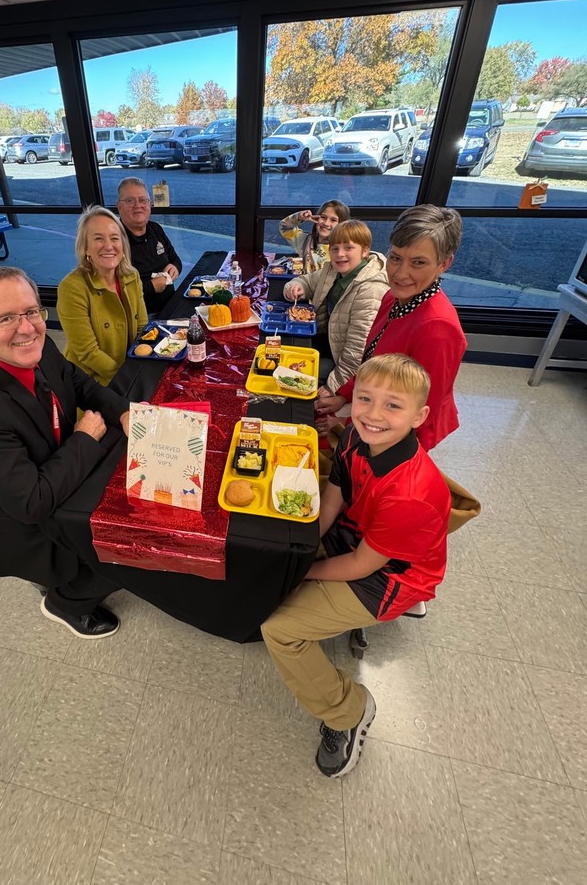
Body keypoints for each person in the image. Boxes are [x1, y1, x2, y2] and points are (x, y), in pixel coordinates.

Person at [262, 354, 451, 778]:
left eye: (393, 405)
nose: (374, 414)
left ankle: (347, 712)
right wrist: (305, 545)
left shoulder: (409, 495)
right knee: (270, 552)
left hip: (388, 579)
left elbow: (362, 565)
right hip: (352, 537)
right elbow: (336, 490)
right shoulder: (354, 435)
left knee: (280, 630)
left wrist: (301, 570)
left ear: (420, 416)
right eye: (365, 399)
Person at [0, 266, 132, 639]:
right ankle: (64, 603)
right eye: (6, 318)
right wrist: (84, 440)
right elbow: (31, 502)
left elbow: (76, 380)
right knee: (123, 555)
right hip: (23, 523)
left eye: (30, 312)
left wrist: (122, 411)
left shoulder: (34, 348)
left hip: (57, 470)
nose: (27, 328)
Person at [315, 205, 466, 452]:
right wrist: (343, 396)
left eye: (418, 263)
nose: (399, 273)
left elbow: (419, 413)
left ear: (443, 264)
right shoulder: (392, 297)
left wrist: (347, 424)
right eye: (395, 258)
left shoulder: (438, 329)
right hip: (375, 410)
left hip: (401, 437)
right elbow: (373, 359)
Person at [284, 220, 389, 388]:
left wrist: (333, 387)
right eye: (335, 248)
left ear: (365, 251)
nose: (340, 254)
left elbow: (356, 352)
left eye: (348, 248)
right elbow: (306, 281)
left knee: (289, 373)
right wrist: (296, 288)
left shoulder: (371, 291)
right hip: (326, 340)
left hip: (343, 363)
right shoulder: (333, 269)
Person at [58, 206, 147, 385]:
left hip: (128, 372)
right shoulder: (72, 287)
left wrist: (143, 369)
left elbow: (142, 329)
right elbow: (88, 353)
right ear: (85, 248)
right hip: (90, 383)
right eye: (98, 238)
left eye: (114, 238)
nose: (108, 246)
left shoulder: (132, 276)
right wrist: (128, 380)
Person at [116, 177, 182, 313]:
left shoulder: (155, 228)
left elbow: (175, 259)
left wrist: (174, 267)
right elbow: (116, 293)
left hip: (171, 306)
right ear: (119, 207)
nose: (138, 205)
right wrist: (150, 288)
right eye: (130, 200)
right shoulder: (114, 240)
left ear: (149, 204)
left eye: (142, 200)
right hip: (142, 316)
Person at [279, 199, 351, 272]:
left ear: (342, 225)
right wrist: (298, 217)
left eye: (333, 220)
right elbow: (284, 227)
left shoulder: (344, 250)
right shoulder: (305, 241)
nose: (326, 223)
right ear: (316, 218)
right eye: (323, 217)